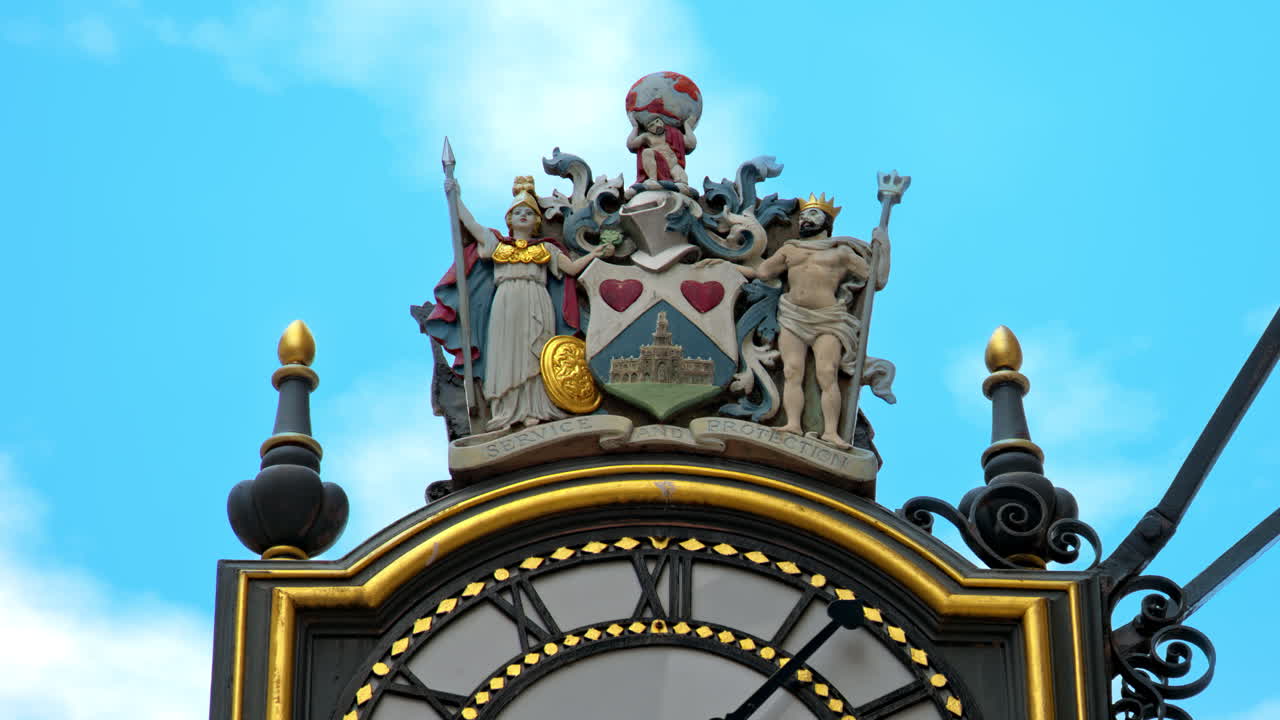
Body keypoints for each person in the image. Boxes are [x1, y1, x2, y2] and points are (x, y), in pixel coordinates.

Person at [433, 176, 601, 431]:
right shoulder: (496, 245)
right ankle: (507, 410)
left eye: (529, 213)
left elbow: (573, 268)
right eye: (518, 212)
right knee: (506, 350)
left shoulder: (546, 249)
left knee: (536, 351)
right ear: (509, 219)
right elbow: (470, 224)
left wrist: (597, 253)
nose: (523, 216)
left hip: (536, 299)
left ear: (536, 222)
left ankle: (537, 408)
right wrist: (454, 196)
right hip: (506, 302)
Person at [743, 194, 890, 449]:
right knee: (792, 372)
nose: (804, 220)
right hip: (792, 315)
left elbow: (876, 279)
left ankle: (831, 433)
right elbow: (763, 272)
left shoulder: (841, 253)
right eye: (802, 217)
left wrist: (884, 246)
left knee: (826, 374)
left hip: (828, 319)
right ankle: (793, 424)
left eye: (812, 215)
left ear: (826, 222)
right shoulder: (790, 249)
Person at [626, 113, 697, 184]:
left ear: (662, 121)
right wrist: (635, 127)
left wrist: (687, 126)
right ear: (648, 129)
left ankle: (667, 185)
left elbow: (691, 144)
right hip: (658, 166)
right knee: (647, 152)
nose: (656, 125)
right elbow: (631, 144)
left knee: (682, 182)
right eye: (651, 125)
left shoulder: (674, 133)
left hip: (673, 165)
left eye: (657, 121)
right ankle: (653, 179)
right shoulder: (647, 136)